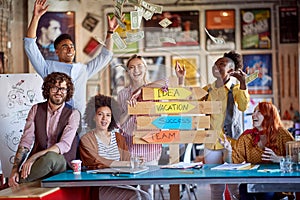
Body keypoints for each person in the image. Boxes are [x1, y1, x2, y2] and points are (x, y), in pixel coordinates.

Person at [24, 0, 119, 117]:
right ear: (57, 51)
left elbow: (106, 56)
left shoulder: (82, 70)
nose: (70, 49)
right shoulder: (48, 68)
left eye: (72, 46)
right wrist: (36, 17)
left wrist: (110, 32)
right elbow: (30, 45)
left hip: (80, 124)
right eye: (65, 47)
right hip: (57, 123)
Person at [117, 54, 185, 199]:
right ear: (127, 71)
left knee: (148, 190)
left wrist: (142, 90)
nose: (136, 70)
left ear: (146, 68)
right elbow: (119, 123)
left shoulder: (155, 89)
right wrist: (131, 111)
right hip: (129, 147)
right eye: (132, 67)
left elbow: (168, 82)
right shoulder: (122, 94)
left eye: (140, 66)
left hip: (150, 146)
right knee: (131, 190)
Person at [8, 72, 80, 187]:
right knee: (43, 161)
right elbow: (26, 142)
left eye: (63, 89)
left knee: (50, 157)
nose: (59, 92)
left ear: (67, 92)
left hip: (62, 160)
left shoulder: (73, 113)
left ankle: (20, 183)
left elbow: (64, 145)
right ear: (48, 89)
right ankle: (17, 180)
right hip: (40, 163)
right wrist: (14, 170)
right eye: (55, 88)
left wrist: (34, 157)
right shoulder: (35, 109)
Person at [79, 94, 150, 200]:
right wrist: (127, 164)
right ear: (93, 117)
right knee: (136, 196)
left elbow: (126, 160)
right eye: (100, 114)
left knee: (146, 196)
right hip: (98, 186)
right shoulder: (86, 139)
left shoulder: (118, 137)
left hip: (119, 182)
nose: (104, 119)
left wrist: (135, 161)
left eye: (108, 115)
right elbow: (96, 162)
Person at [221, 102, 295, 200]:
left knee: (266, 193)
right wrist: (228, 151)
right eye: (253, 111)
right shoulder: (246, 137)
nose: (253, 115)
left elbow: (297, 159)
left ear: (269, 115)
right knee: (244, 189)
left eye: (259, 112)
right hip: (252, 183)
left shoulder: (283, 134)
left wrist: (279, 159)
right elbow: (232, 163)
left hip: (277, 184)